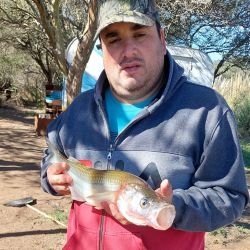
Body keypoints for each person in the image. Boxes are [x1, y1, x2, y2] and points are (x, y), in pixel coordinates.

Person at [40, 0, 249, 249]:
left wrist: (173, 207)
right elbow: (51, 158)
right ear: (101, 48)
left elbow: (230, 197)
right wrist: (52, 180)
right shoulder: (79, 110)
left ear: (162, 40)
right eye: (113, 38)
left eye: (139, 34)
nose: (128, 50)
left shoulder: (207, 110)